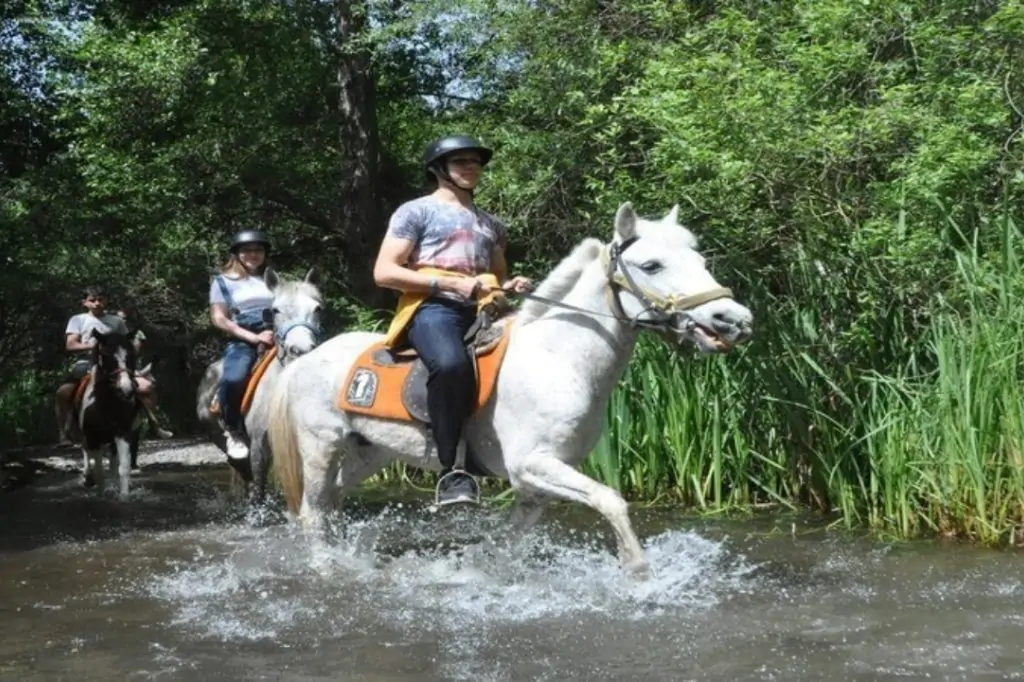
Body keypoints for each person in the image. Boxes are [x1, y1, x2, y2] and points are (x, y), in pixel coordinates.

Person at [372, 134, 533, 506]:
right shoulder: (415, 212)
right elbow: (384, 272)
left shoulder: (492, 224)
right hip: (432, 308)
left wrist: (511, 284)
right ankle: (451, 471)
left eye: (475, 162)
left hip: (485, 309)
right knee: (449, 364)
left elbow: (495, 275)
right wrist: (445, 283)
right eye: (461, 162)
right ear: (439, 169)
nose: (471, 168)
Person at [209, 229, 276, 460]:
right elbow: (219, 318)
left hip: (279, 334)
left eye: (258, 250)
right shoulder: (223, 281)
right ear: (237, 254)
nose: (253, 254)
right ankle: (233, 430)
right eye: (246, 250)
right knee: (234, 378)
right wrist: (253, 338)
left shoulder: (274, 279)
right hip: (243, 338)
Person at [115, 306, 174, 445]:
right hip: (116, 370)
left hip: (134, 370)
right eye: (119, 319)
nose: (122, 322)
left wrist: (139, 372)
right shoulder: (110, 334)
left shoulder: (138, 334)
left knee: (147, 388)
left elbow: (137, 354)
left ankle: (152, 424)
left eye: (124, 319)